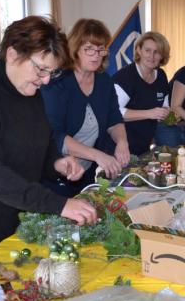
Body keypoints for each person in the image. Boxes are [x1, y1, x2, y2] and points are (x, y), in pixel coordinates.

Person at [0, 16, 97, 267]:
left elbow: (42, 140)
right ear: (13, 54)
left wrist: (56, 162)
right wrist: (59, 205)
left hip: (17, 216)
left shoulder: (29, 90)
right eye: (41, 69)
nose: (46, 80)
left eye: (52, 71)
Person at [41, 18, 129, 197]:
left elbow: (114, 118)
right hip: (58, 172)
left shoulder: (104, 81)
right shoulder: (57, 82)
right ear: (75, 49)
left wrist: (122, 142)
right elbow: (55, 135)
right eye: (89, 49)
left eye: (101, 49)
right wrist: (97, 155)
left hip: (89, 173)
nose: (96, 55)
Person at [113, 31, 171, 155]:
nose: (152, 56)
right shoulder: (125, 77)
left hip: (143, 145)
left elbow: (164, 101)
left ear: (162, 56)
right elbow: (114, 112)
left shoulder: (161, 76)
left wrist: (166, 110)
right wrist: (150, 113)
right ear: (139, 50)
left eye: (157, 52)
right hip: (119, 146)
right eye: (147, 50)